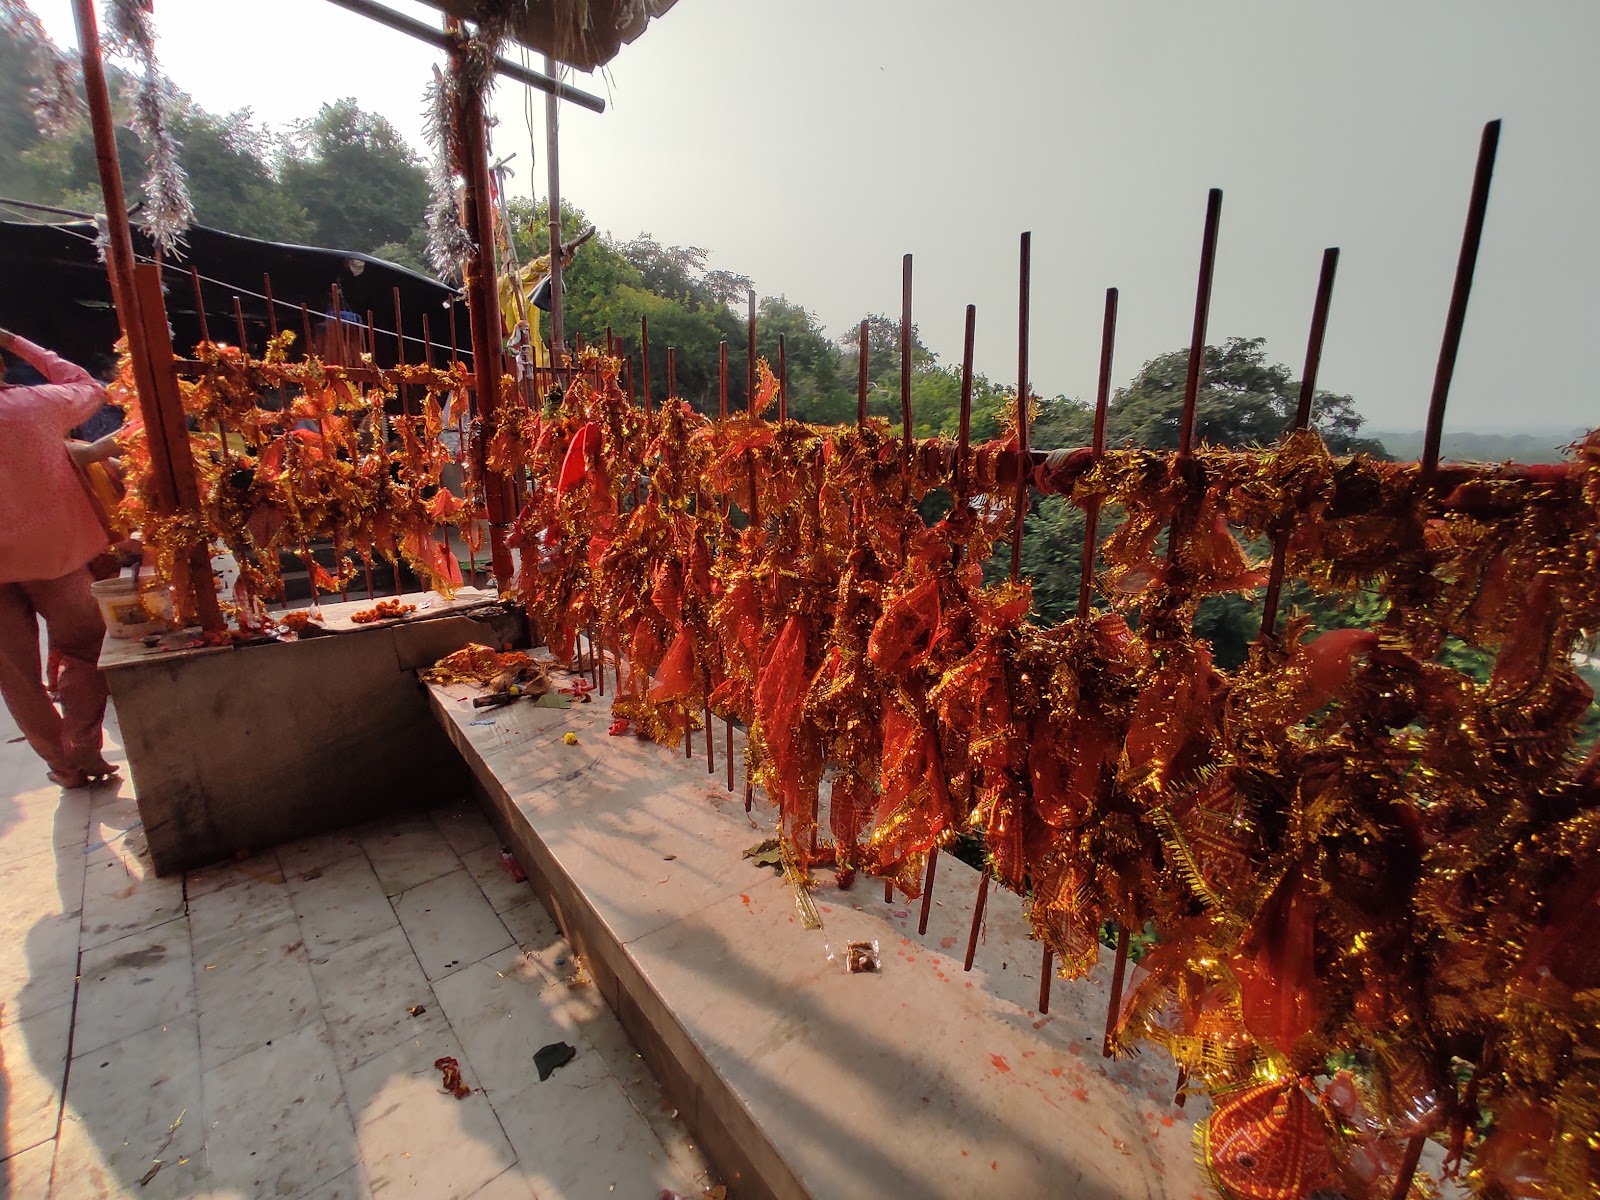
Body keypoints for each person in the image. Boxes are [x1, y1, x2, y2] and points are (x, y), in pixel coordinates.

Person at [0, 329, 119, 788]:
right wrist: (17, 341)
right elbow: (90, 386)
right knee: (83, 649)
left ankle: (64, 767)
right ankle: (83, 742)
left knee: (16, 675)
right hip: (58, 557)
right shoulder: (36, 404)